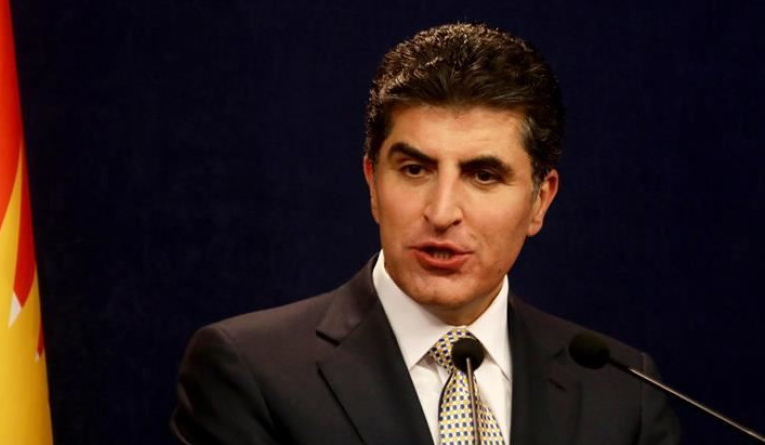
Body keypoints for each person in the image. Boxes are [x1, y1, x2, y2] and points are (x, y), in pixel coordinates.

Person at [171, 23, 680, 444]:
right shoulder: (250, 371)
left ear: (539, 201)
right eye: (415, 170)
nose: (441, 212)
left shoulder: (621, 392)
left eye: (484, 175)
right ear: (373, 183)